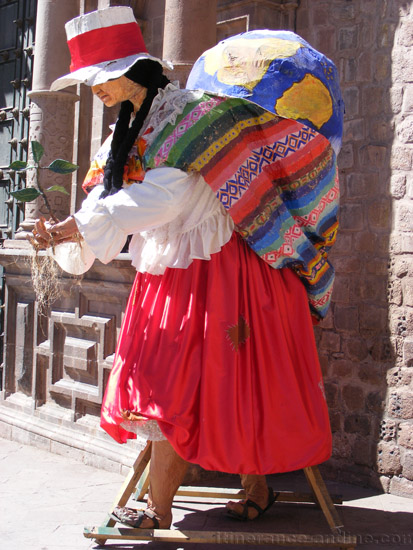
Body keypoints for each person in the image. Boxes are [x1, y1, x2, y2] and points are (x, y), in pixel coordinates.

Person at [33, 7, 340, 530]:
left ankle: (237, 491)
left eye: (102, 77)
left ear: (133, 71)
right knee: (171, 382)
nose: (96, 89)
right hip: (173, 269)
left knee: (235, 380)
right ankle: (167, 503)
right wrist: (71, 228)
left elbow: (165, 197)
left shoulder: (194, 116)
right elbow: (108, 193)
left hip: (229, 268)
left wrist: (78, 227)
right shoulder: (128, 127)